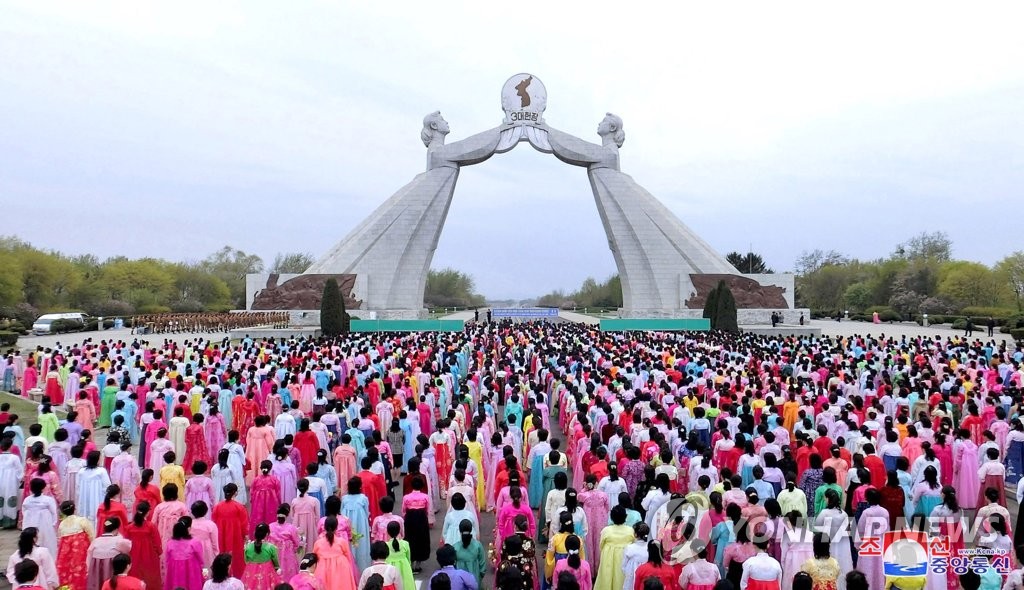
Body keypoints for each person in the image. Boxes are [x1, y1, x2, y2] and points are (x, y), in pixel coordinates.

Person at [212, 483, 249, 579]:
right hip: (235, 536)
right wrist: (245, 535)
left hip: (221, 535)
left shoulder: (218, 507)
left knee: (222, 552)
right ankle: (236, 575)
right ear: (235, 493)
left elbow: (214, 521)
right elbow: (244, 523)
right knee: (236, 556)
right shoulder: (239, 507)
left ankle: (221, 573)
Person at [594, 506, 636, 590]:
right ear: (625, 517)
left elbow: (601, 545)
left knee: (607, 576)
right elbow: (633, 543)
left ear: (611, 517)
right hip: (624, 557)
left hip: (608, 557)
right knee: (621, 577)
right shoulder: (630, 530)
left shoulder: (606, 530)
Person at [123, 502, 162, 590]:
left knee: (135, 575)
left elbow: (126, 543)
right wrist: (159, 552)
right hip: (150, 555)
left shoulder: (129, 527)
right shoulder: (151, 526)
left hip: (133, 555)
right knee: (150, 577)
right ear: (148, 512)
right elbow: (157, 542)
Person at [85, 517, 132, 590]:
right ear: (117, 528)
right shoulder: (119, 540)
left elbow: (89, 553)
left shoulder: (96, 541)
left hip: (96, 570)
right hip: (111, 569)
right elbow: (128, 548)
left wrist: (89, 569)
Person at [312, 517, 357, 590]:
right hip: (341, 569)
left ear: (325, 527)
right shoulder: (342, 542)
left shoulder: (318, 543)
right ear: (336, 528)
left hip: (322, 570)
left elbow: (314, 558)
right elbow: (348, 558)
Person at [21, 478, 59, 557]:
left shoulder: (27, 500)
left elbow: (24, 511)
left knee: (31, 540)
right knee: (46, 542)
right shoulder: (48, 500)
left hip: (29, 523)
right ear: (43, 487)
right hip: (45, 525)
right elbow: (54, 513)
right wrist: (53, 524)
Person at [242, 523, 283, 590]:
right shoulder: (271, 547)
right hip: (267, 573)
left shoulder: (248, 546)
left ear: (255, 533)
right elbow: (276, 563)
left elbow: (246, 560)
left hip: (251, 573)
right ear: (267, 534)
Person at [453, 519, 486, 589]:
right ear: (471, 530)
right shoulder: (478, 545)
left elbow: (453, 564)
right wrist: (480, 576)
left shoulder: (455, 547)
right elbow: (482, 564)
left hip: (460, 581)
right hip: (475, 578)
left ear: (459, 531)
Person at [383, 521, 415, 590]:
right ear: (399, 530)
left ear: (388, 532)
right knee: (406, 584)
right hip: (404, 566)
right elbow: (408, 558)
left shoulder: (386, 544)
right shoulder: (405, 543)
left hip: (390, 567)